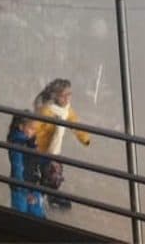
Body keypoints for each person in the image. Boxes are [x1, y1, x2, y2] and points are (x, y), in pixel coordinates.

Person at [34, 78, 91, 210]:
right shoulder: (47, 111)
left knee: (54, 173)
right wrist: (30, 140)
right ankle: (44, 197)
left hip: (55, 150)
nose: (67, 98)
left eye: (69, 94)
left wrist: (85, 138)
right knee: (50, 174)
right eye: (63, 95)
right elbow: (34, 126)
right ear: (55, 95)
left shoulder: (67, 110)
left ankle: (50, 196)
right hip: (42, 150)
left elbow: (75, 125)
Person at [7, 114, 46, 219]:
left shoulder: (30, 143)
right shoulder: (18, 144)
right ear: (21, 127)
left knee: (34, 214)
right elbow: (17, 168)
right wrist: (25, 191)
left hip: (32, 185)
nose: (34, 132)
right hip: (22, 188)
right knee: (23, 215)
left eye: (35, 129)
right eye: (31, 129)